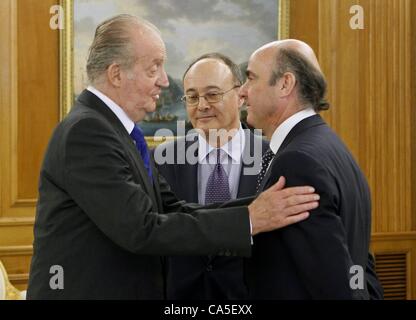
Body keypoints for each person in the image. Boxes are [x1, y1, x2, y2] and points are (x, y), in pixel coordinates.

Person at [26, 16, 319, 299]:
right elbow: (142, 229)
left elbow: (172, 210)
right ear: (116, 74)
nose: (165, 81)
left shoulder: (117, 132)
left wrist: (257, 209)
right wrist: (248, 220)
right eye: (154, 68)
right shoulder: (87, 132)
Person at [239, 39, 383, 299]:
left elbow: (333, 285)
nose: (242, 92)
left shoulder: (296, 162)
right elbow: (357, 265)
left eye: (251, 78)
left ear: (285, 84)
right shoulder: (329, 144)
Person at [155, 53, 268, 299]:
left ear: (240, 96)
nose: (202, 105)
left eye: (213, 94)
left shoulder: (273, 156)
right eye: (192, 97)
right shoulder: (162, 159)